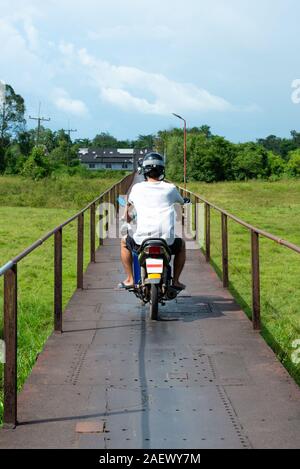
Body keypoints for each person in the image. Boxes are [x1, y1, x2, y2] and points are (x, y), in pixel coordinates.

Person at [119, 152, 186, 290]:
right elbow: (181, 201)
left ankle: (130, 279)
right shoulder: (170, 188)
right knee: (182, 245)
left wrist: (128, 214)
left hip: (141, 241)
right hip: (167, 240)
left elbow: (127, 216)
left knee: (124, 241)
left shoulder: (136, 188)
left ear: (144, 170)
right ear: (162, 170)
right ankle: (176, 281)